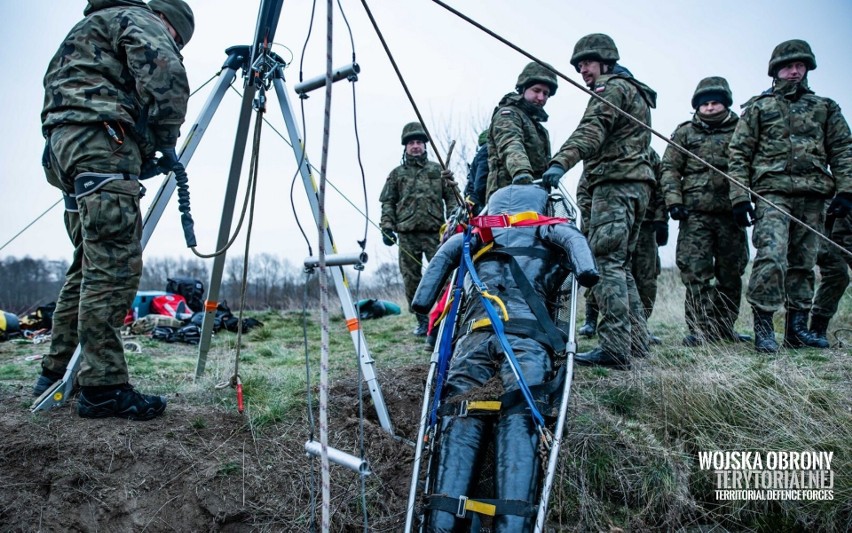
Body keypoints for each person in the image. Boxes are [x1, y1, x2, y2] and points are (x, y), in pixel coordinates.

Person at [33, 0, 193, 421]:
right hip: (101, 144)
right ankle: (103, 386)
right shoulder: (137, 19)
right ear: (168, 23)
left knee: (87, 264)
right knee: (114, 266)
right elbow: (166, 76)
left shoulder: (87, 28)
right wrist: (163, 137)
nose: (174, 45)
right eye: (177, 40)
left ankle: (54, 373)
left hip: (64, 152)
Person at [411, 182, 599, 532]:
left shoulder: (474, 234)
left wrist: (422, 301)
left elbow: (437, 268)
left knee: (459, 411)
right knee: (520, 412)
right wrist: (586, 270)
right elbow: (579, 250)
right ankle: (512, 523)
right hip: (527, 339)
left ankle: (441, 521)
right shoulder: (551, 228)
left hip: (474, 340)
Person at [727, 39, 852, 353]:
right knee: (771, 256)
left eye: (800, 65)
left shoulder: (825, 107)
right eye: (787, 66)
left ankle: (797, 330)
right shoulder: (758, 107)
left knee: (804, 263)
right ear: (775, 71)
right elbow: (739, 153)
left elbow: (842, 150)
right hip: (773, 194)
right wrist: (740, 197)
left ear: (807, 68)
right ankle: (764, 327)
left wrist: (847, 190)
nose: (794, 71)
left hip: (814, 196)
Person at [543, 33, 658, 368]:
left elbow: (591, 129)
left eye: (587, 63)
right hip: (637, 188)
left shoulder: (611, 88)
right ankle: (636, 342)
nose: (583, 71)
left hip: (615, 186)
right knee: (620, 265)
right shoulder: (633, 89)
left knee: (606, 264)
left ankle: (615, 349)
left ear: (605, 60)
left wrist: (560, 162)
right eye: (579, 66)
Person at [661, 76, 751, 347]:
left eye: (715, 103)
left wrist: (743, 201)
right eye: (705, 104)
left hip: (730, 215)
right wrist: (674, 202)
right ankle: (700, 330)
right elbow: (669, 168)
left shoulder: (742, 130)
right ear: (697, 107)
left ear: (725, 104)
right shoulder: (685, 132)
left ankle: (724, 328)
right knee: (696, 274)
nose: (710, 108)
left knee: (731, 273)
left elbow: (749, 165)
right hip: (694, 215)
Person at [576, 150, 667, 346]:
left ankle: (639, 329)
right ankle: (592, 318)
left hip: (645, 223)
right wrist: (589, 224)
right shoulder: (602, 152)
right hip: (608, 221)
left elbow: (661, 189)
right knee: (606, 269)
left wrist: (662, 219)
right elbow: (584, 191)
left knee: (646, 277)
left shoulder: (649, 156)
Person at [380, 122, 456, 336]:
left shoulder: (438, 170)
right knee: (411, 279)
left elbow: (451, 197)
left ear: (425, 146)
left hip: (437, 233)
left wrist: (452, 220)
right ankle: (422, 321)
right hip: (406, 234)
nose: (415, 146)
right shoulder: (396, 174)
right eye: (411, 143)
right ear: (405, 147)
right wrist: (386, 226)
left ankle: (443, 318)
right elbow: (388, 202)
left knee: (445, 276)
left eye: (419, 143)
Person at [484, 62, 557, 201]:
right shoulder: (508, 114)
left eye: (546, 94)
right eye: (536, 90)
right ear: (523, 89)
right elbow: (510, 142)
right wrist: (521, 172)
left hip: (536, 197)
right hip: (508, 195)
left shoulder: (539, 128)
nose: (541, 97)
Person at [808, 206, 852, 345]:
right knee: (837, 273)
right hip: (821, 226)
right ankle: (814, 329)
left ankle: (817, 327)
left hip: (839, 229)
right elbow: (843, 235)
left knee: (838, 273)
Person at [463, 129, 490, 215]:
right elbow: (480, 185)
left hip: (473, 202)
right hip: (482, 205)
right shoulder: (486, 150)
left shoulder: (478, 155)